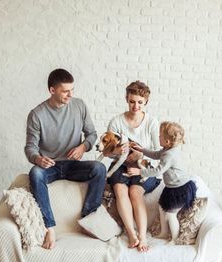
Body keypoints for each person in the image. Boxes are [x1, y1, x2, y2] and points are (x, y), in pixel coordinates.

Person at [25, 68, 106, 249]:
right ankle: (49, 227)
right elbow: (30, 147)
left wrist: (83, 147)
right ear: (52, 90)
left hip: (72, 165)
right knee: (35, 174)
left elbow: (92, 134)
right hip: (50, 166)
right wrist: (38, 159)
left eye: (72, 90)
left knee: (99, 169)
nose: (71, 94)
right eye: (65, 91)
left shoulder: (79, 106)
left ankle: (88, 218)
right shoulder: (37, 114)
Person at [106, 81, 160, 252]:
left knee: (135, 192)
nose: (135, 106)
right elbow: (108, 152)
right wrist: (117, 150)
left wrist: (141, 156)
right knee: (120, 190)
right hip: (120, 165)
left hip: (144, 166)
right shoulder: (116, 122)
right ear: (126, 99)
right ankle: (131, 234)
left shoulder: (151, 122)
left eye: (140, 102)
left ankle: (143, 237)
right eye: (132, 101)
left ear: (146, 102)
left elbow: (159, 153)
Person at [128, 121, 196, 244]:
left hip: (180, 189)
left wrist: (140, 172)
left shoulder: (170, 155)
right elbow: (155, 154)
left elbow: (157, 171)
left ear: (167, 141)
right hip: (172, 187)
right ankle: (164, 233)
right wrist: (142, 150)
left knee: (170, 215)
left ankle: (174, 240)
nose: (158, 137)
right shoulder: (167, 149)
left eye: (160, 136)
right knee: (161, 207)